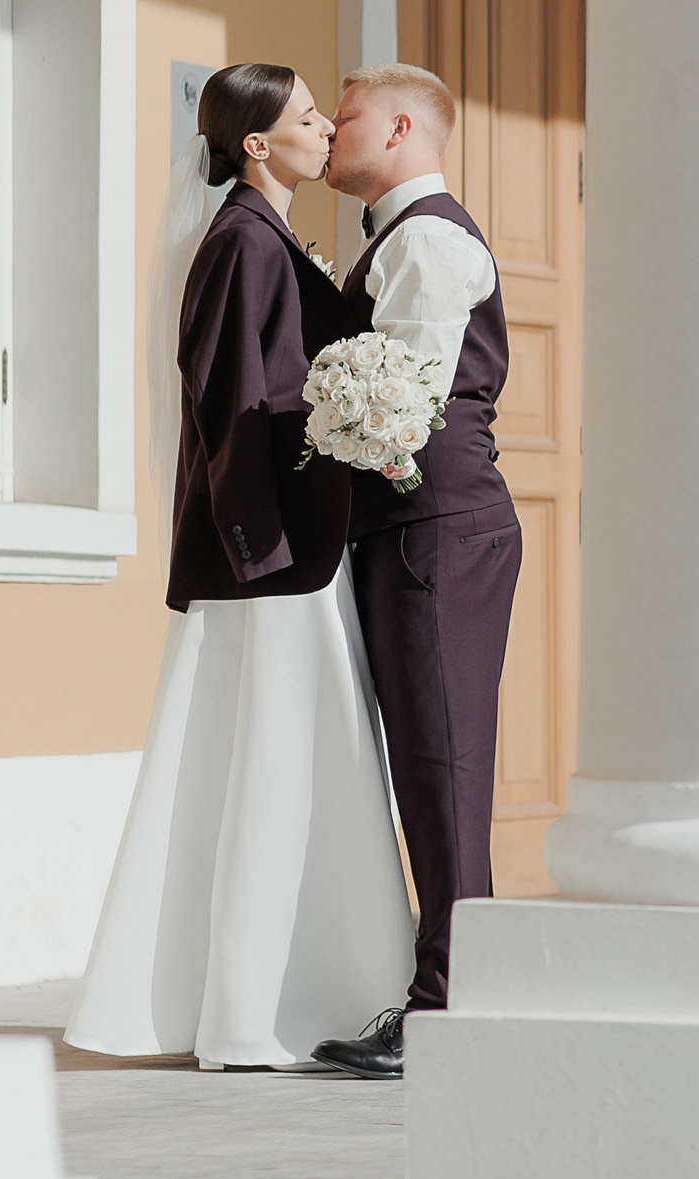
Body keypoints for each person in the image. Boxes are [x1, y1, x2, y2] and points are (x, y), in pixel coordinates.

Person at [63, 64, 413, 1069]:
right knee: (278, 757)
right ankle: (252, 1012)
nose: (322, 130)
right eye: (306, 118)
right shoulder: (239, 245)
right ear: (257, 144)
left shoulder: (261, 238)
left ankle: (264, 999)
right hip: (269, 556)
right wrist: (261, 549)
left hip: (286, 547)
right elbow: (224, 402)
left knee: (292, 756)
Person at [308, 63, 520, 1081]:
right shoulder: (402, 240)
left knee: (443, 770)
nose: (329, 133)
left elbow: (405, 401)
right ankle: (449, 989)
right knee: (427, 770)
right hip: (411, 527)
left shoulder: (429, 242)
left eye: (342, 118)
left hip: (438, 525)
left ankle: (449, 1004)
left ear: (398, 129)